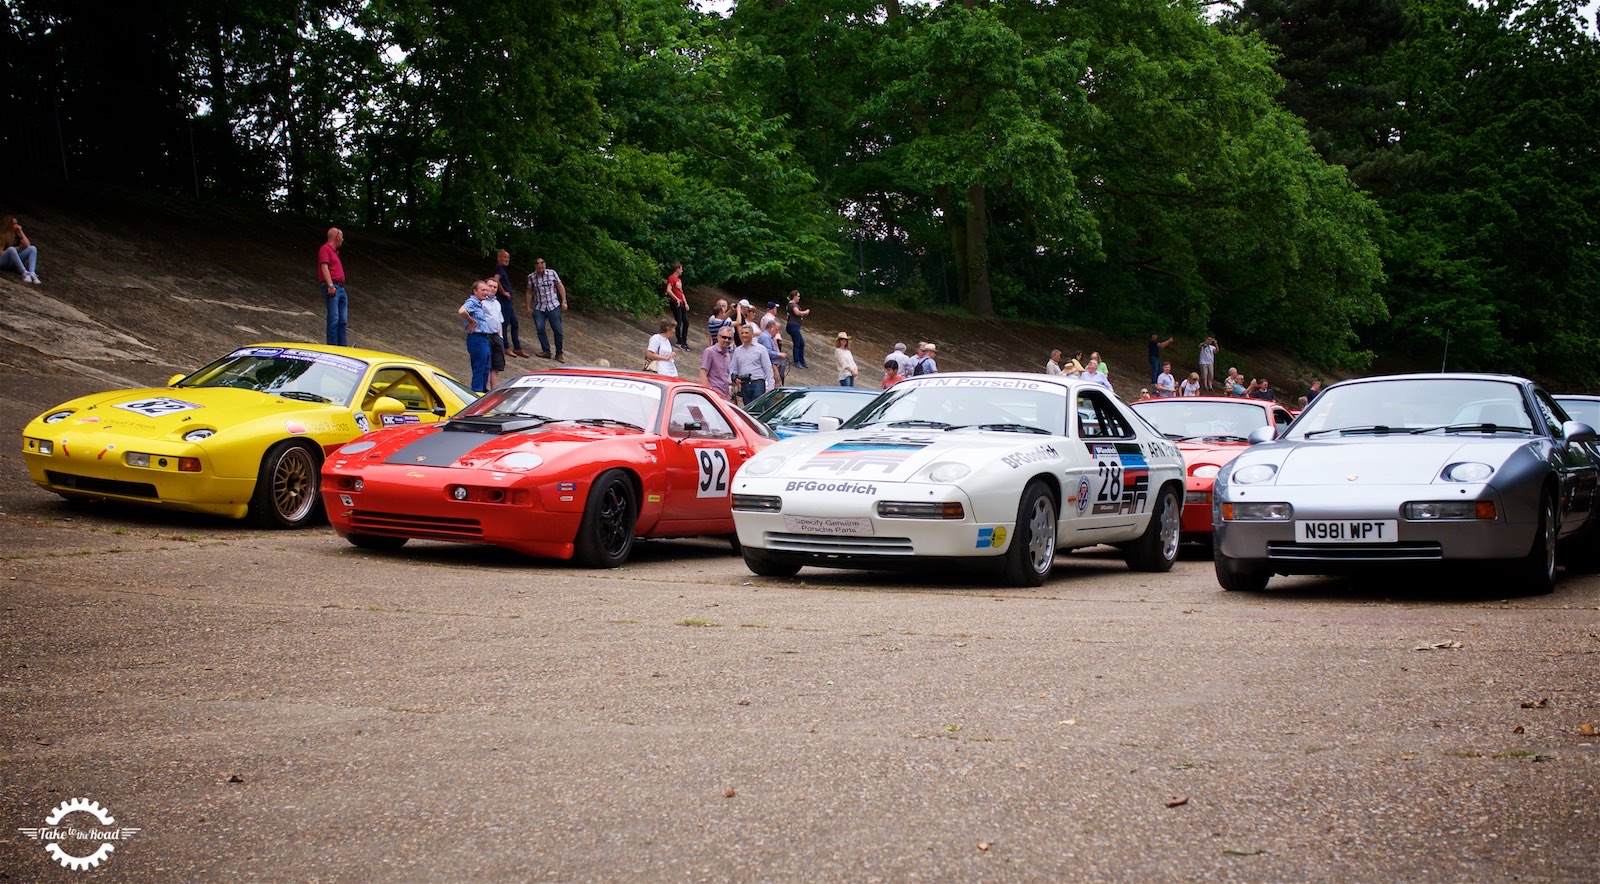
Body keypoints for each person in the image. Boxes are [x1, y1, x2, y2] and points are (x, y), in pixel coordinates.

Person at [458, 279, 499, 394]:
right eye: (483, 290)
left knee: (486, 366)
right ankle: (476, 391)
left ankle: (483, 390)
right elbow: (461, 311)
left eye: (486, 290)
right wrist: (471, 321)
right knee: (479, 365)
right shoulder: (472, 302)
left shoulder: (480, 303)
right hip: (476, 337)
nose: (485, 292)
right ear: (475, 291)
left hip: (484, 337)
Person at [524, 256, 568, 362]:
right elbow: (529, 291)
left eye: (542, 268)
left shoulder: (552, 273)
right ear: (535, 267)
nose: (541, 270)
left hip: (553, 305)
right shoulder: (531, 277)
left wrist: (564, 300)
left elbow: (560, 286)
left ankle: (559, 353)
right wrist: (528, 307)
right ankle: (546, 350)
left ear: (545, 265)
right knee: (540, 328)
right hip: (539, 306)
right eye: (539, 269)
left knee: (557, 330)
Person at [317, 227, 348, 346]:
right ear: (337, 237)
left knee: (342, 321)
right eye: (342, 236)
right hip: (333, 286)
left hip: (340, 287)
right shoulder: (325, 249)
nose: (343, 239)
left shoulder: (334, 252)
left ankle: (343, 347)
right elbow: (324, 267)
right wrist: (330, 285)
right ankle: (333, 347)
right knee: (334, 318)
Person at [731, 323, 775, 406]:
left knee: (757, 408)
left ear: (752, 334)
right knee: (748, 409)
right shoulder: (737, 351)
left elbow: (768, 368)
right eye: (742, 333)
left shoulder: (761, 349)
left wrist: (770, 386)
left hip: (758, 383)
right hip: (744, 385)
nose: (744, 335)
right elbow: (733, 368)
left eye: (746, 333)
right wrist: (733, 380)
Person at [493, 249, 526, 357]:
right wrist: (503, 292)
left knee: (515, 323)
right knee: (505, 323)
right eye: (505, 257)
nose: (507, 259)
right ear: (499, 258)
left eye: (508, 258)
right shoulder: (499, 269)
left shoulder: (502, 269)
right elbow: (495, 280)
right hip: (503, 300)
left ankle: (517, 348)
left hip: (508, 301)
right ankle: (505, 347)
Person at [699, 324, 736, 400]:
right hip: (713, 394)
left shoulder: (728, 355)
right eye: (724, 337)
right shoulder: (709, 351)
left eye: (729, 338)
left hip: (725, 395)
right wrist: (707, 393)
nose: (726, 340)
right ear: (718, 337)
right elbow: (703, 373)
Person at [0, 215, 39, 283]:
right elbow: (0, 252)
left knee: (33, 248)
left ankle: (32, 273)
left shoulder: (16, 234)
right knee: (11, 249)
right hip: (3, 261)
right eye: (14, 224)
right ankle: (24, 272)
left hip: (13, 261)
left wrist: (21, 232)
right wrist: (12, 251)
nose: (17, 225)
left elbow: (28, 245)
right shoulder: (2, 235)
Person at [665, 262, 690, 351]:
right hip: (676, 303)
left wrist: (685, 303)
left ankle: (684, 341)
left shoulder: (679, 280)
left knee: (686, 322)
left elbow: (681, 292)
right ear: (677, 269)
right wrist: (676, 299)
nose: (682, 270)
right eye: (681, 268)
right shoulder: (672, 278)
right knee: (678, 322)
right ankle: (679, 341)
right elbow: (668, 290)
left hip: (682, 303)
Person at [757, 316, 787, 386]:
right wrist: (779, 355)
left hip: (772, 364)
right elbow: (767, 352)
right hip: (771, 365)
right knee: (776, 383)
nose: (777, 332)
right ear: (771, 328)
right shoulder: (765, 337)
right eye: (776, 330)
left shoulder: (768, 337)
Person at [786, 290, 810, 369]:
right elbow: (797, 312)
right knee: (797, 343)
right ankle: (797, 361)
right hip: (793, 325)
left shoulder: (791, 304)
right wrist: (805, 312)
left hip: (795, 326)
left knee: (801, 343)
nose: (799, 298)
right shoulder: (793, 304)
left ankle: (801, 361)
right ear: (794, 296)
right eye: (798, 296)